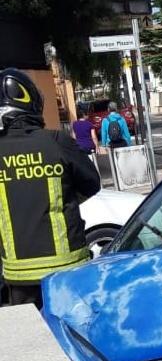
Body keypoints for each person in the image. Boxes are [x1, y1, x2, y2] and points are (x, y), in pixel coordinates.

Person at [0, 69, 101, 307]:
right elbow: (92, 183)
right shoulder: (56, 142)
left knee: (35, 341)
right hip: (66, 270)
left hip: (18, 278)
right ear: (32, 102)